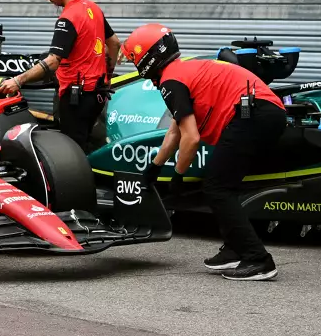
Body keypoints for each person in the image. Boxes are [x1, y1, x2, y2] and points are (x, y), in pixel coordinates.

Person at [123, 24, 286, 281]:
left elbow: (191, 137)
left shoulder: (171, 80)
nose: (133, 64)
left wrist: (177, 178)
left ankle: (259, 260)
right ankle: (236, 248)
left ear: (146, 57)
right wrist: (153, 168)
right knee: (224, 187)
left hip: (253, 115)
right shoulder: (181, 70)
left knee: (216, 187)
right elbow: (175, 131)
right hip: (262, 112)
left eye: (133, 58)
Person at [0, 0, 120, 153]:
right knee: (91, 146)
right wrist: (107, 76)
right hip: (98, 94)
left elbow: (54, 60)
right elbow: (114, 43)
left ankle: (77, 183)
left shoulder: (68, 18)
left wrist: (17, 80)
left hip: (76, 98)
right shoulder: (93, 8)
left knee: (73, 152)